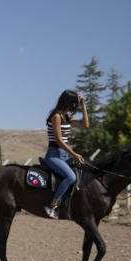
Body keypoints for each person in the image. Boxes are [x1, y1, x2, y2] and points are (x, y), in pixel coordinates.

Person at [43, 90, 89, 219]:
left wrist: (84, 105)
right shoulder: (56, 116)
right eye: (76, 103)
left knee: (80, 174)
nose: (76, 106)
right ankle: (52, 205)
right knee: (71, 177)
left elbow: (85, 125)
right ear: (70, 102)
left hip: (64, 155)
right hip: (53, 155)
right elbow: (58, 140)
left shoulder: (67, 117)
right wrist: (74, 154)